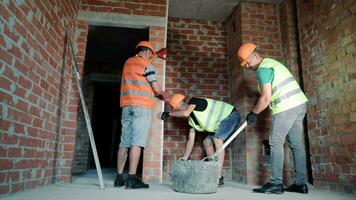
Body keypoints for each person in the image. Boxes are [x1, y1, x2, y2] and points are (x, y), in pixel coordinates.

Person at [237, 43, 309, 194]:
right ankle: (301, 184)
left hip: (286, 107)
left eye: (247, 62)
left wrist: (253, 113)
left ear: (254, 55)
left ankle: (275, 183)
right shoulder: (272, 63)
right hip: (299, 104)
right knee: (296, 144)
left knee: (275, 142)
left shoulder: (263, 69)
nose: (247, 66)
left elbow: (265, 98)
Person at [114, 41, 167, 189]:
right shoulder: (147, 66)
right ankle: (131, 179)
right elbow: (156, 88)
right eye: (151, 53)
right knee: (137, 142)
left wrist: (155, 55)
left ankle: (119, 178)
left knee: (124, 142)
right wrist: (163, 94)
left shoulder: (128, 62)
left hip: (126, 106)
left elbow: (143, 64)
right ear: (147, 52)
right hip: (141, 108)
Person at [161, 94, 241, 186]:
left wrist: (169, 114)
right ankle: (213, 172)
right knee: (206, 142)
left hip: (231, 115)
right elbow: (191, 140)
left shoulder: (195, 101)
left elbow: (185, 113)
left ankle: (218, 177)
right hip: (219, 125)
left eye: (177, 110)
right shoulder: (191, 121)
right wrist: (185, 157)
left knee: (217, 139)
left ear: (180, 105)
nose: (179, 113)